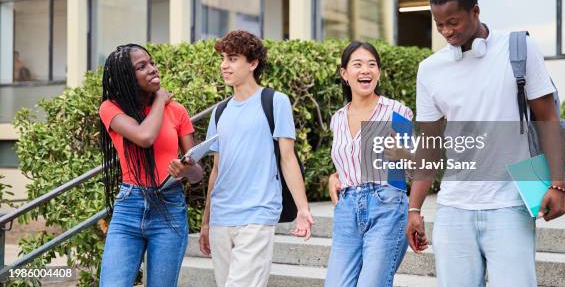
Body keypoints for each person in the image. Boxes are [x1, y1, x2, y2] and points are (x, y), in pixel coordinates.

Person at [406, 0, 565, 287]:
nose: (447, 32)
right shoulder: (430, 69)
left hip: (509, 204)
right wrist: (414, 208)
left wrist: (558, 184)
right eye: (439, 25)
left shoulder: (518, 49)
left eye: (453, 22)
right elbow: (428, 143)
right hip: (454, 207)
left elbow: (547, 118)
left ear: (475, 11)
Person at [198, 30, 314, 287]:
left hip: (258, 213)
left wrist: (303, 209)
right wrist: (206, 221)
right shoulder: (220, 111)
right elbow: (216, 169)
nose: (224, 65)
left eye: (232, 59)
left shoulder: (274, 101)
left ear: (253, 63)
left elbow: (287, 159)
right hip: (221, 217)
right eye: (223, 58)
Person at [98, 44, 203, 287]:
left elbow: (198, 173)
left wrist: (185, 170)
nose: (152, 69)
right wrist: (159, 100)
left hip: (169, 207)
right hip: (129, 207)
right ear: (126, 77)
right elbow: (144, 137)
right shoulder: (111, 109)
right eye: (141, 66)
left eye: (151, 63)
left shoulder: (177, 112)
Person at [325, 41, 413, 287]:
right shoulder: (338, 119)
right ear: (345, 74)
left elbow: (419, 165)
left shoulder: (397, 112)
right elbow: (349, 159)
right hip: (347, 208)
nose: (366, 70)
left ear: (379, 73)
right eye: (358, 64)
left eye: (372, 65)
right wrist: (335, 175)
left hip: (386, 204)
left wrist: (403, 153)